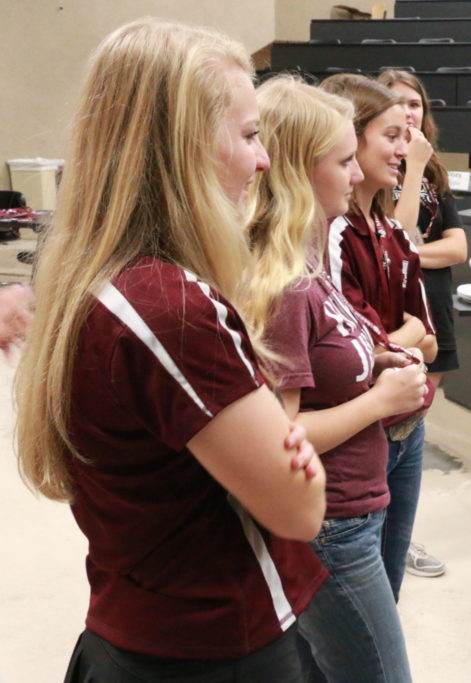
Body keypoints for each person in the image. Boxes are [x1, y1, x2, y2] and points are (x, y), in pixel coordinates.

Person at [13, 19, 329, 681]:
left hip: (144, 625)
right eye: (248, 135)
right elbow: (300, 509)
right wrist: (301, 459)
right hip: (210, 650)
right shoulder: (171, 307)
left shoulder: (98, 274)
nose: (264, 160)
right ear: (184, 147)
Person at [247, 74, 428, 682]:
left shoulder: (309, 258)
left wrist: (372, 362)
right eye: (344, 160)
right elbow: (283, 434)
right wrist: (380, 400)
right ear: (302, 169)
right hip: (330, 529)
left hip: (350, 516)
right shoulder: (285, 282)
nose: (356, 175)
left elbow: (324, 359)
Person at [319, 73, 439, 600]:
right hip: (364, 436)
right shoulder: (331, 233)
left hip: (409, 428)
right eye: (392, 136)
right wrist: (404, 340)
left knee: (388, 590)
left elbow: (428, 336)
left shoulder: (390, 229)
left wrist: (403, 340)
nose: (405, 148)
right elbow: (366, 352)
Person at [378, 69, 467, 579]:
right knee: (392, 429)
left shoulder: (432, 168)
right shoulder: (397, 169)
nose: (409, 113)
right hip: (400, 314)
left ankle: (399, 531)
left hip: (434, 306)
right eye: (396, 104)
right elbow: (397, 234)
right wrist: (409, 250)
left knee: (414, 423)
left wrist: (411, 254)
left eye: (415, 104)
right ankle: (389, 532)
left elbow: (457, 246)